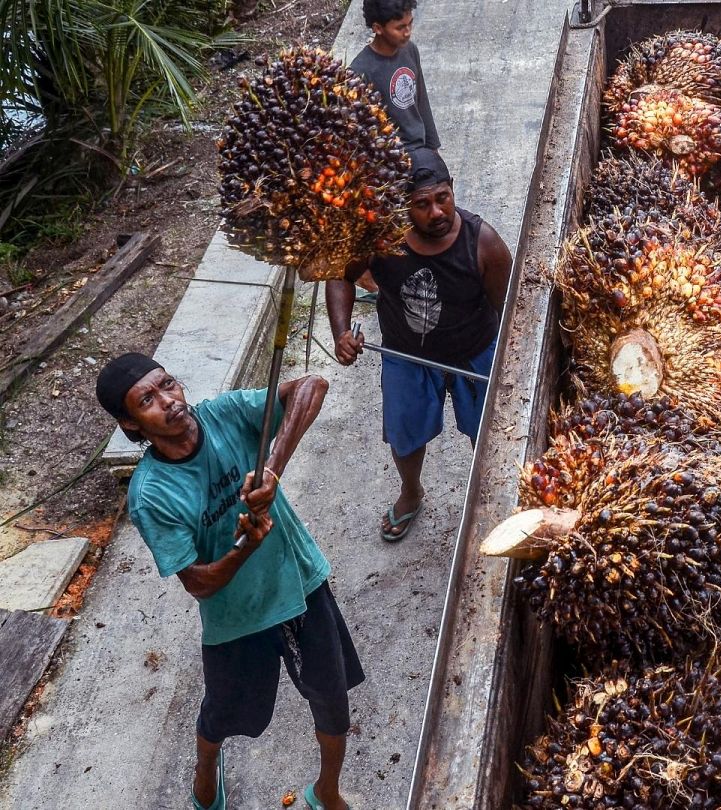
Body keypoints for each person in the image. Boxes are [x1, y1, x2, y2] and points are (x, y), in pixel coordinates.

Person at [95, 354, 362, 810]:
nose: (169, 401)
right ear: (131, 425)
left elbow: (311, 385)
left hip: (299, 583)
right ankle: (206, 769)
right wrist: (243, 550)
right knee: (223, 714)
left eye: (168, 385)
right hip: (235, 619)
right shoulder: (151, 494)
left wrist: (272, 468)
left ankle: (328, 792)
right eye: (148, 400)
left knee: (333, 703)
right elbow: (197, 583)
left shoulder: (224, 414)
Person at [327, 148, 511, 542]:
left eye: (442, 198)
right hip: (406, 356)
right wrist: (341, 331)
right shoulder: (381, 240)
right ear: (402, 207)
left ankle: (491, 498)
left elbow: (512, 312)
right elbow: (340, 275)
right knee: (405, 435)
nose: (436, 212)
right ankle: (411, 492)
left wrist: (505, 364)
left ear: (453, 190)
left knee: (491, 434)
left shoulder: (485, 244)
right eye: (421, 204)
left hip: (474, 352)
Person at [349, 0, 441, 154]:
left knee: (442, 178)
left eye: (410, 24)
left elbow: (422, 101)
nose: (407, 32)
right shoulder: (360, 71)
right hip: (392, 155)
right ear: (378, 28)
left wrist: (433, 148)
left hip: (420, 147)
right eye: (400, 28)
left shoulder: (410, 50)